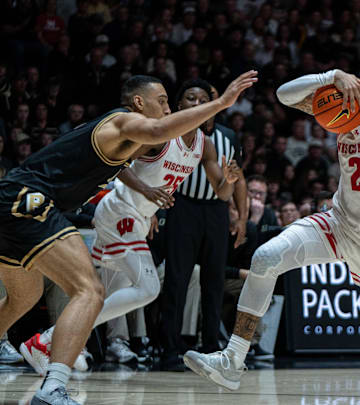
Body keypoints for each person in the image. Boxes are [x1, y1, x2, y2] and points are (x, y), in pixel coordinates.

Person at [183, 48, 360, 401]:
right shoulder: (342, 105)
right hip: (338, 222)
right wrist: (331, 75)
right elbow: (283, 94)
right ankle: (233, 359)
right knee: (265, 258)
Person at [0, 71, 257, 405]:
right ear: (139, 102)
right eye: (163, 101)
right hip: (32, 200)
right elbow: (159, 131)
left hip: (15, 202)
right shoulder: (124, 122)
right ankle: (53, 386)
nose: (168, 109)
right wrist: (222, 103)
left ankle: (49, 347)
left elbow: (174, 162)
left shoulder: (142, 141)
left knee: (23, 296)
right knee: (90, 290)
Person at [158, 82, 248, 370]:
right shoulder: (172, 132)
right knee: (177, 280)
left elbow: (237, 180)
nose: (198, 103)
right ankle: (169, 347)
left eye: (204, 99)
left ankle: (211, 346)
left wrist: (242, 217)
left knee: (214, 282)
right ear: (180, 104)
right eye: (191, 98)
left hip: (216, 212)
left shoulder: (228, 136)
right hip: (183, 208)